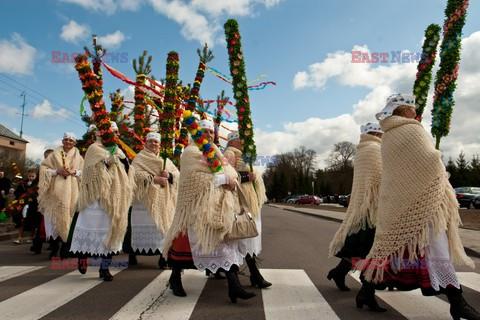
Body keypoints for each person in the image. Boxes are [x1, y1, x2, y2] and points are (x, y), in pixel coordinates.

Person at [358, 94, 480, 319]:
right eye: (413, 109)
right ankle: (458, 302)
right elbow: (429, 160)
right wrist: (439, 165)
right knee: (436, 246)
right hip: (423, 202)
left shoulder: (389, 137)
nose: (416, 112)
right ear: (405, 111)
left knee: (391, 250)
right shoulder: (412, 129)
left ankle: (366, 290)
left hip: (395, 202)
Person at [163, 119, 256, 303]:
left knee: (225, 245)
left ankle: (234, 286)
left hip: (220, 209)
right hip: (196, 210)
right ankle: (175, 278)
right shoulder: (190, 152)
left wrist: (232, 181)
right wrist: (223, 180)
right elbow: (193, 180)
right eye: (204, 131)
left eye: (211, 132)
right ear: (196, 134)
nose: (208, 135)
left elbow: (232, 174)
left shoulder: (219, 153)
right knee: (185, 252)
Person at [69, 122, 135, 281]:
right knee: (90, 229)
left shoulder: (119, 151)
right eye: (114, 132)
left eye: (118, 132)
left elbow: (127, 171)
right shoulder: (94, 149)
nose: (117, 135)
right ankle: (82, 256)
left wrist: (121, 161)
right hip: (96, 197)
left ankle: (104, 268)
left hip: (114, 198)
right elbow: (91, 171)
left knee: (110, 231)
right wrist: (109, 160)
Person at [327, 123, 383, 292]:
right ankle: (367, 284)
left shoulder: (362, 149)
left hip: (363, 207)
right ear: (377, 134)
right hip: (371, 208)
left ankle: (340, 273)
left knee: (359, 247)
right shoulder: (374, 149)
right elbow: (379, 177)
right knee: (368, 247)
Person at [223, 131, 271, 288]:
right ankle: (249, 276)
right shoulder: (230, 154)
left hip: (249, 204)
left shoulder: (243, 155)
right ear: (231, 142)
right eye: (239, 139)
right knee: (242, 237)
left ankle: (253, 275)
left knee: (248, 237)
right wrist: (245, 177)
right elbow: (227, 175)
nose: (242, 142)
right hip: (239, 204)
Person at [128, 132, 179, 268]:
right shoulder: (140, 157)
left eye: (156, 142)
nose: (153, 144)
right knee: (143, 227)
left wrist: (169, 175)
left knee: (163, 229)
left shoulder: (166, 159)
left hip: (164, 201)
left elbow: (177, 175)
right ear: (146, 143)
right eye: (150, 141)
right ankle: (133, 254)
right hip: (145, 201)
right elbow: (134, 174)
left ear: (160, 144)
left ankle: (163, 256)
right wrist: (153, 178)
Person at [13, 169, 40, 245]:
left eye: (33, 176)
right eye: (29, 176)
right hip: (23, 204)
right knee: (21, 220)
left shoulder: (37, 184)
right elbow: (18, 192)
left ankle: (31, 237)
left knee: (32, 221)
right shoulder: (23, 184)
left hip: (33, 205)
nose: (31, 177)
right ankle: (19, 238)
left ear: (35, 176)